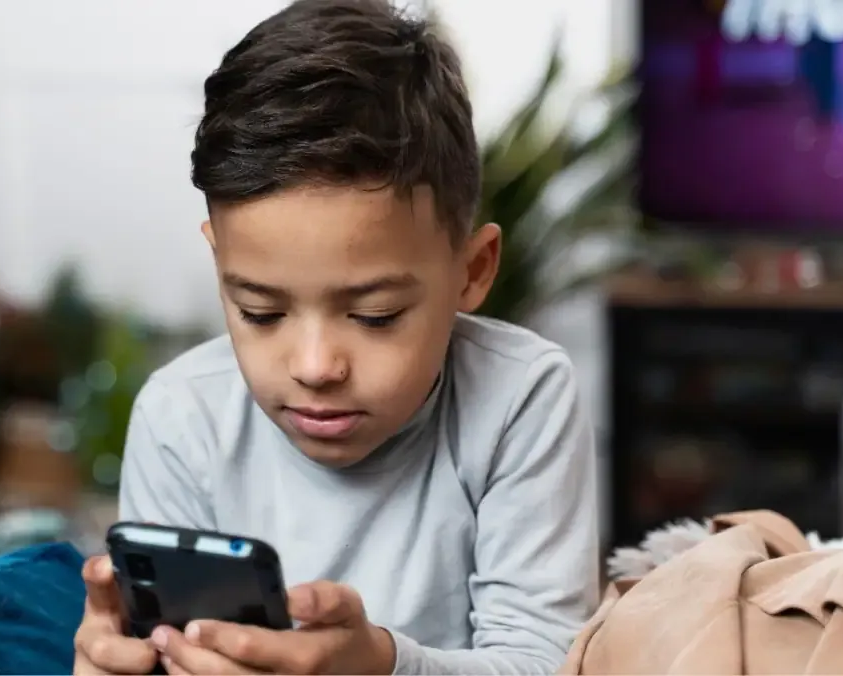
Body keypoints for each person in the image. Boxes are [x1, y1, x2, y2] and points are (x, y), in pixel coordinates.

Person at [74, 0, 600, 673]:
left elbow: (545, 662)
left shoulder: (522, 395)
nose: (316, 367)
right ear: (221, 268)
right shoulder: (181, 415)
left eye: (376, 316)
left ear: (472, 271)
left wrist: (382, 666)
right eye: (261, 313)